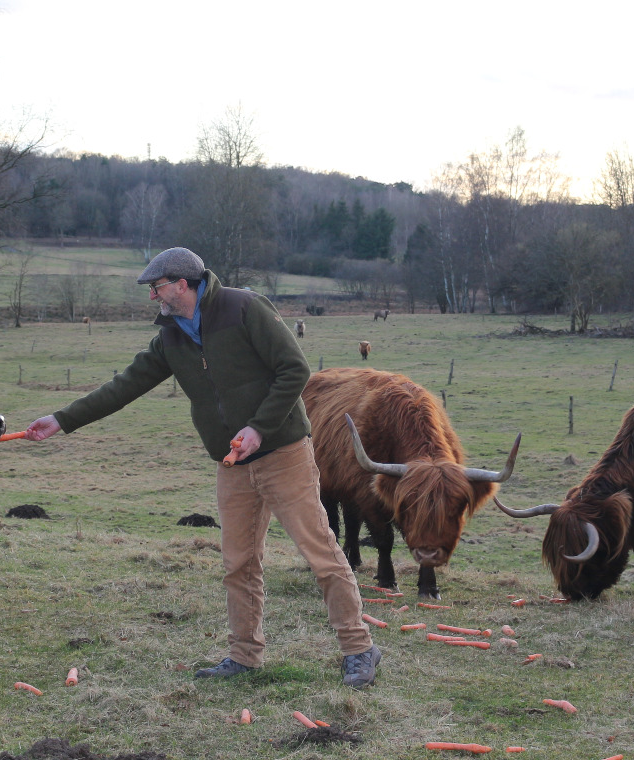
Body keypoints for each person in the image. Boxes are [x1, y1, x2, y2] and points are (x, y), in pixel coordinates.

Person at [23, 247, 381, 688]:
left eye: (156, 288)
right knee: (238, 564)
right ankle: (245, 656)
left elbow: (295, 369)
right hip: (231, 462)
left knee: (321, 554)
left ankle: (359, 647)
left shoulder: (244, 308)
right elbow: (125, 386)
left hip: (283, 452)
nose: (154, 297)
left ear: (181, 284)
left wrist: (259, 427)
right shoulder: (170, 338)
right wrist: (61, 420)